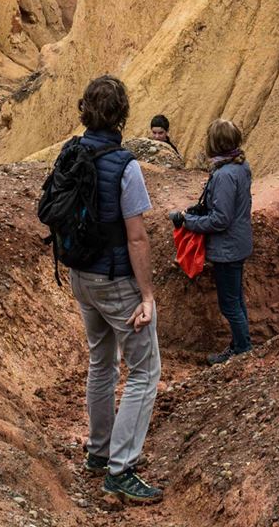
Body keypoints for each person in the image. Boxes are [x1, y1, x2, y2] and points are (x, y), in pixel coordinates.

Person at [66, 76, 163, 503]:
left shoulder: (70, 153)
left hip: (81, 277)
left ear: (85, 109)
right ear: (122, 114)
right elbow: (136, 237)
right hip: (116, 281)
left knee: (100, 363)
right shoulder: (126, 165)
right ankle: (121, 469)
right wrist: (146, 296)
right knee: (144, 372)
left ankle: (98, 452)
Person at [169, 119, 253, 365]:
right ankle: (240, 345)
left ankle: (243, 350)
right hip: (237, 244)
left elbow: (220, 219)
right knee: (236, 300)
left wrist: (188, 222)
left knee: (229, 304)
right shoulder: (240, 167)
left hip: (227, 249)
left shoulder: (225, 175)